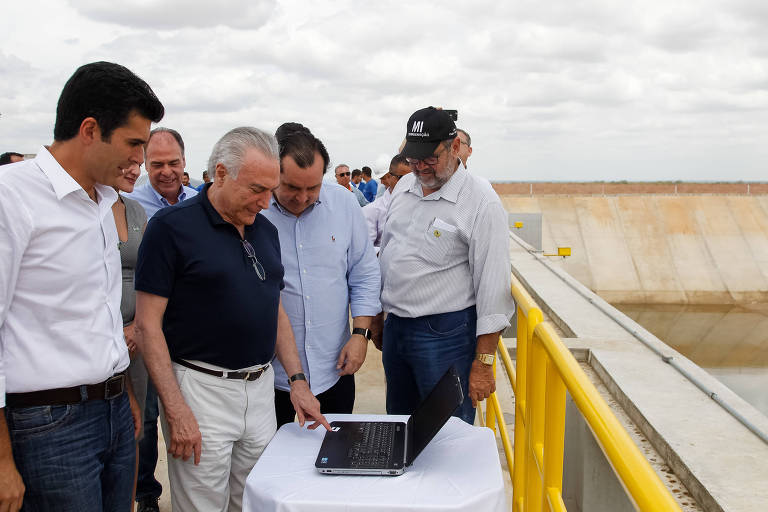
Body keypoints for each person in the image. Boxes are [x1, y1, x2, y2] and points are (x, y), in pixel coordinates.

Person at [133, 126, 330, 512]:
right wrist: (175, 409)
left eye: (270, 190)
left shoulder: (266, 230)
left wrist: (298, 381)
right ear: (221, 173)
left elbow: (274, 310)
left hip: (259, 389)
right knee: (203, 503)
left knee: (254, 499)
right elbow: (147, 325)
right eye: (256, 189)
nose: (264, 201)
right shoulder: (171, 228)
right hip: (201, 389)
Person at [0, 61, 164, 512]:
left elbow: (102, 314)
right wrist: (0, 461)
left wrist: (122, 392)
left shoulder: (105, 201)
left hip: (112, 410)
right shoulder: (11, 197)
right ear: (90, 129)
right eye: (133, 143)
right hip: (47, 423)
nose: (139, 159)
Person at [376, 106, 514, 425]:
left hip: (446, 335)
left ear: (454, 148)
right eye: (413, 159)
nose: (420, 167)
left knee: (447, 432)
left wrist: (483, 362)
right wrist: (382, 317)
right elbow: (390, 252)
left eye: (429, 158)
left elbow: (493, 288)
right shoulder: (404, 188)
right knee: (401, 425)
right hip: (397, 328)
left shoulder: (481, 201)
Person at [262, 123, 381, 427]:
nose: (302, 198)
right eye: (292, 188)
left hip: (335, 367)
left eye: (312, 188)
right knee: (271, 463)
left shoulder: (343, 204)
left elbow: (364, 273)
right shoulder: (255, 211)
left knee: (334, 454)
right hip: (269, 376)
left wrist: (360, 335)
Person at [109, 162, 149, 504]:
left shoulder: (135, 209)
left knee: (137, 426)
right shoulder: (84, 210)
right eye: (128, 161)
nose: (135, 168)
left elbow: (149, 273)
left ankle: (136, 497)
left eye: (139, 163)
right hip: (102, 341)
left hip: (137, 339)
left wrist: (138, 327)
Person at [125, 127, 197, 219]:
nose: (167, 172)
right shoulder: (127, 205)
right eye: (158, 165)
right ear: (146, 165)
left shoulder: (199, 202)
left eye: (173, 163)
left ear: (184, 161)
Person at [362, 153, 411, 250]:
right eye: (403, 178)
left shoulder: (421, 204)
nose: (410, 181)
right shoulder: (372, 211)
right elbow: (365, 250)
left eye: (413, 176)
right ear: (389, 177)